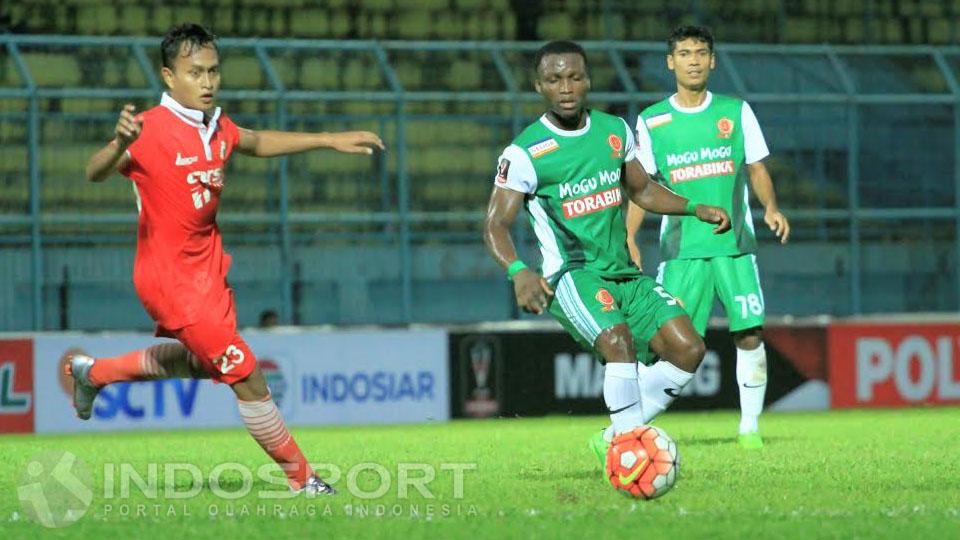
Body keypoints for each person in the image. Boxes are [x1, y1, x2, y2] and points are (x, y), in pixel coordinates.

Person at [70, 23, 384, 494]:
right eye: (195, 72)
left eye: (213, 71)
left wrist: (327, 139)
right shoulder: (149, 128)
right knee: (246, 372)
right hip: (168, 277)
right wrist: (119, 142)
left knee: (203, 365)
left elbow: (254, 141)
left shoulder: (217, 126)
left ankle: (93, 373)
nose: (208, 82)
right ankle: (304, 481)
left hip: (208, 269)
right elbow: (93, 171)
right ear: (169, 76)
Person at [481, 40, 731, 469]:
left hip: (623, 273)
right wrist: (519, 271)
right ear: (539, 85)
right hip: (573, 276)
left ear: (588, 81)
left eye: (575, 77)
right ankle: (631, 458)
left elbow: (643, 189)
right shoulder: (525, 152)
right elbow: (495, 224)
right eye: (555, 78)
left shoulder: (613, 130)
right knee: (618, 343)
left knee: (688, 349)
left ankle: (614, 437)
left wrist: (694, 207)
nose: (566, 87)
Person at [626, 25, 791, 449]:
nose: (694, 60)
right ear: (671, 61)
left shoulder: (736, 112)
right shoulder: (652, 121)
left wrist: (770, 207)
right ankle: (628, 426)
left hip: (735, 248)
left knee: (748, 332)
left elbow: (756, 168)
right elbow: (641, 188)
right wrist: (629, 236)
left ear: (713, 60)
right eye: (684, 53)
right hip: (681, 252)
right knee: (672, 344)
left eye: (701, 52)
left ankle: (749, 429)